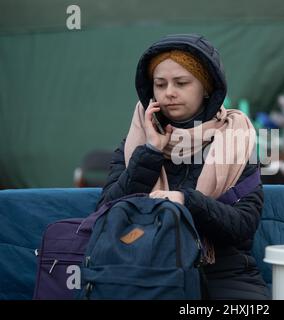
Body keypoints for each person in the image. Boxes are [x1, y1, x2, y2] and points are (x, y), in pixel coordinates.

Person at [96, 34, 270, 300]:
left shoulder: (236, 140)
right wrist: (151, 153)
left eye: (182, 83)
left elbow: (242, 226)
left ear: (207, 87)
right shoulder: (137, 143)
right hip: (146, 269)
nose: (169, 93)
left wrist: (185, 201)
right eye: (160, 84)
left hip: (223, 273)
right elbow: (107, 213)